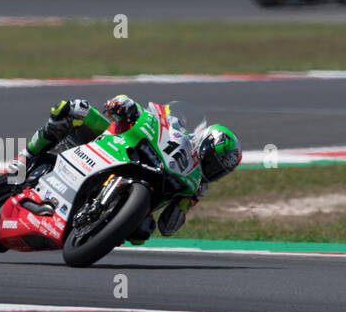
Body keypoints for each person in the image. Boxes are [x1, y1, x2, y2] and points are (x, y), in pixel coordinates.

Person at [19, 94, 241, 244]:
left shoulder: (195, 186)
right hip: (114, 144)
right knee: (73, 109)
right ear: (205, 144)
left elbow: (167, 228)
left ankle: (95, 227)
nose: (213, 172)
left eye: (220, 171)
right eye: (213, 163)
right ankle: (26, 158)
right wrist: (125, 106)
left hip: (141, 186)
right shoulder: (177, 128)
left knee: (143, 231)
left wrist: (182, 208)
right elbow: (142, 113)